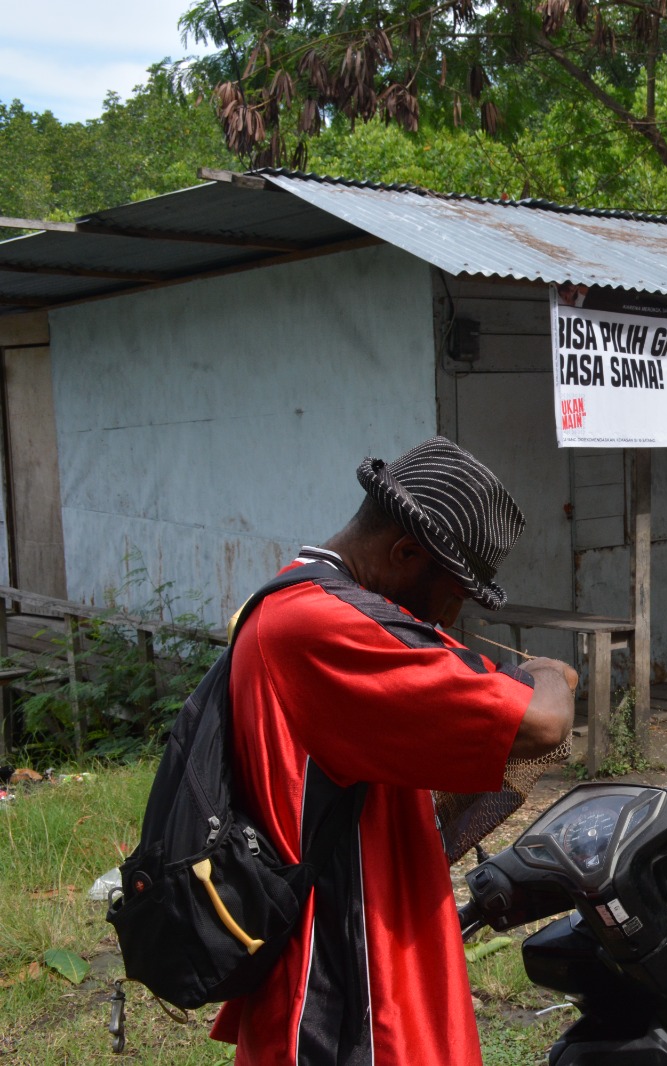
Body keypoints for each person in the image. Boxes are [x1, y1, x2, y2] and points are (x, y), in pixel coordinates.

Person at [211, 436, 578, 1066]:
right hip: (342, 978)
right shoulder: (323, 627)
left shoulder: (307, 602)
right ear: (405, 552)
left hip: (378, 938)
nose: (453, 612)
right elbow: (544, 722)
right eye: (456, 591)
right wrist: (548, 671)